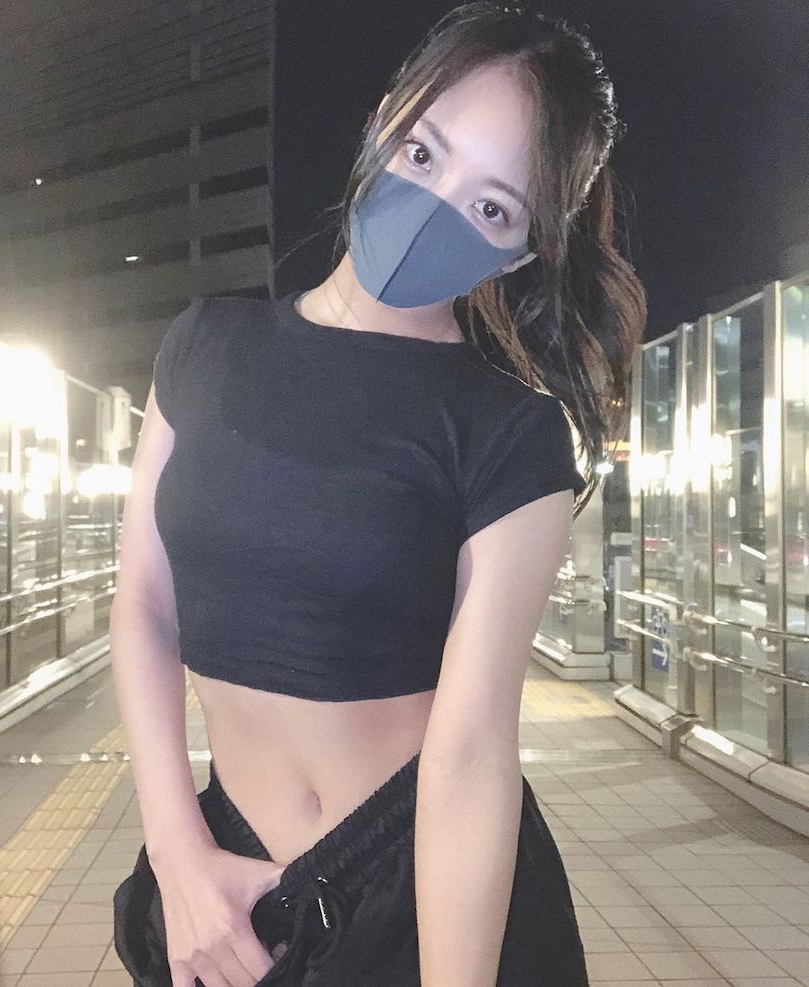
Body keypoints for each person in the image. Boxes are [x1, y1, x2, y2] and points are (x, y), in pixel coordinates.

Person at [111, 3, 645, 985]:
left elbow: (470, 753)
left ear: (522, 249)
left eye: (491, 208)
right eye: (423, 153)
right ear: (383, 121)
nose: (433, 207)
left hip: (421, 888)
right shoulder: (202, 347)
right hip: (219, 878)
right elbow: (143, 604)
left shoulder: (509, 432)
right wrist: (176, 851)